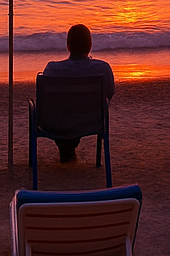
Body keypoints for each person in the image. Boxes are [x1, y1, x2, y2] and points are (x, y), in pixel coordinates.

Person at [41, 24, 115, 163]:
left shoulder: (51, 69)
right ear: (90, 45)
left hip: (54, 122)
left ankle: (66, 148)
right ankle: (69, 148)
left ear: (68, 46)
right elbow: (110, 94)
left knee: (65, 111)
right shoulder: (102, 69)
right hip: (91, 121)